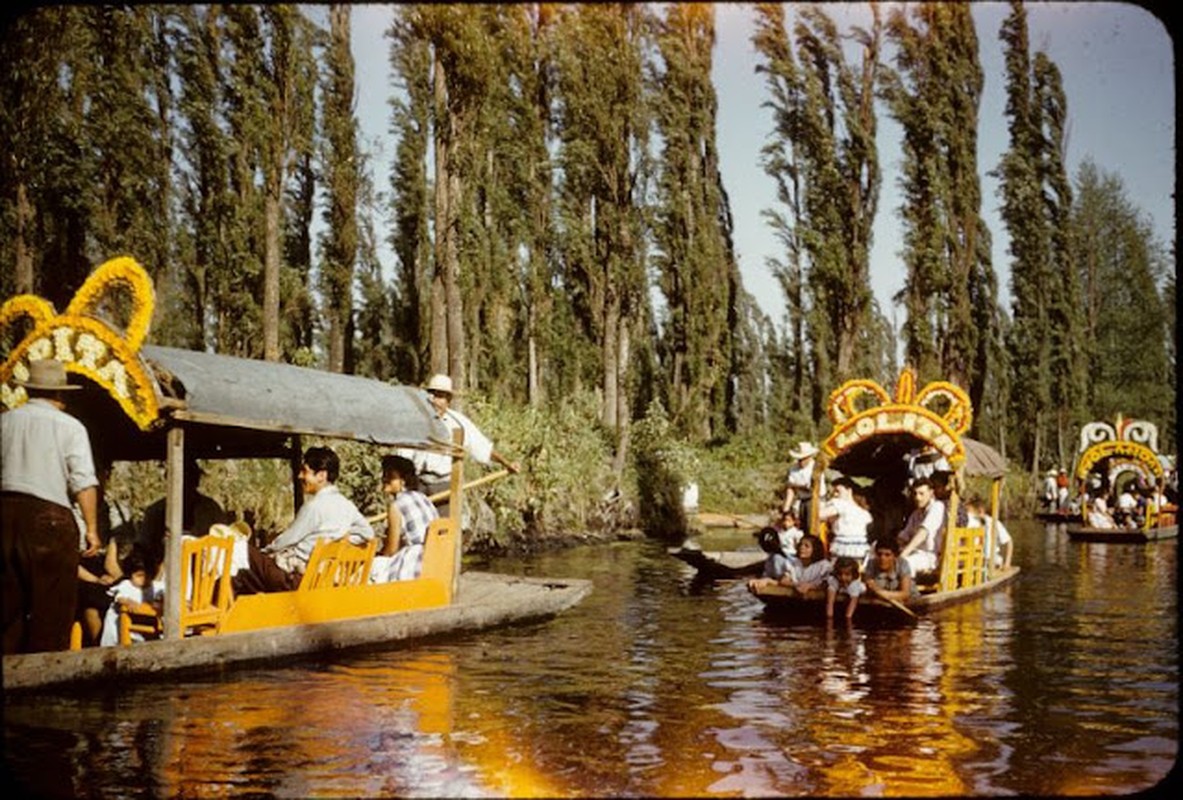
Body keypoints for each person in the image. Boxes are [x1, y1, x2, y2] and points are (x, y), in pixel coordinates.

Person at [1, 359, 101, 654]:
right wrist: (92, 530)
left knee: (6, 608)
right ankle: (46, 685)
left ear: (30, 391)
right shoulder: (70, 427)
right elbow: (84, 482)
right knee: (52, 611)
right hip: (48, 519)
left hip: (4, 515)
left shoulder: (5, 422)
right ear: (61, 395)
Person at [233, 446, 374, 594]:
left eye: (305, 471)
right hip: (321, 579)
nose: (300, 476)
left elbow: (286, 541)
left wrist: (263, 552)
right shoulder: (347, 505)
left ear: (321, 476)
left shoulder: (314, 507)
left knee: (240, 550)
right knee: (249, 570)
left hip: (297, 580)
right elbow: (368, 533)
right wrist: (341, 540)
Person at [400, 374, 521, 514]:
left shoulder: (459, 423)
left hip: (444, 487)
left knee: (443, 531)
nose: (434, 401)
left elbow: (483, 448)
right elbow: (403, 455)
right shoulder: (416, 422)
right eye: (431, 395)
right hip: (418, 485)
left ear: (448, 400)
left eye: (440, 396)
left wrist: (507, 464)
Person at [138, 457, 231, 572]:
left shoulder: (211, 509)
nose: (184, 484)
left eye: (188, 479)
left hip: (204, 574)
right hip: (165, 573)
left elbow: (223, 543)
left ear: (196, 481)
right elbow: (143, 547)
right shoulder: (156, 511)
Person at [370, 455, 439, 583]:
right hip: (434, 557)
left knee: (370, 568)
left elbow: (392, 550)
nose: (384, 478)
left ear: (403, 480)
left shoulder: (396, 506)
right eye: (384, 474)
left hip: (416, 561)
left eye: (390, 476)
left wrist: (377, 556)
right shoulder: (423, 498)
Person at [98, 552, 163, 647]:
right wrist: (128, 602)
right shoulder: (127, 585)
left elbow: (164, 593)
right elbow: (120, 598)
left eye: (147, 575)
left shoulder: (154, 586)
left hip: (143, 624)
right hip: (121, 625)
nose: (144, 579)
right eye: (139, 576)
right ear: (130, 574)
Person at [747, 532, 830, 594]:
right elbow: (784, 580)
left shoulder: (824, 565)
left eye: (806, 546)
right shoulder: (795, 563)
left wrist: (810, 586)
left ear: (815, 550)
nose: (802, 548)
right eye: (800, 545)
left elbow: (827, 584)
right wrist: (796, 585)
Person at [896, 477, 947, 578]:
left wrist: (903, 554)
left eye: (921, 494)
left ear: (931, 493)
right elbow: (904, 536)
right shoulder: (916, 514)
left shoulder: (937, 507)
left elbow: (923, 533)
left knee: (905, 563)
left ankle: (906, 591)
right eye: (915, 493)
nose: (917, 498)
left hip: (930, 556)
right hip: (915, 552)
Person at [817, 476, 872, 564]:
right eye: (834, 492)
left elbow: (819, 515)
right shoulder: (862, 512)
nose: (835, 494)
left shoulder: (842, 504)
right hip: (853, 547)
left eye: (838, 491)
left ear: (849, 490)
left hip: (850, 547)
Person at [862, 539, 917, 604]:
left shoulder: (903, 564)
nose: (882, 558)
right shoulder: (871, 564)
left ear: (895, 556)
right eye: (879, 554)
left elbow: (905, 594)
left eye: (887, 555)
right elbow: (870, 589)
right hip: (882, 603)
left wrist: (880, 592)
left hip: (909, 603)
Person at [964, 496, 1013, 570]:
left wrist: (1007, 563)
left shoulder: (993, 522)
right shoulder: (968, 521)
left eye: (968, 511)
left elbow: (1009, 541)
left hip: (990, 561)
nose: (967, 514)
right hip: (972, 559)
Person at [783, 441, 822, 529]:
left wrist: (797, 486)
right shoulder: (793, 469)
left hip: (815, 500)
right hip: (802, 500)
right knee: (801, 526)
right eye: (800, 459)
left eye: (804, 458)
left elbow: (814, 488)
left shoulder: (816, 467)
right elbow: (790, 489)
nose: (801, 461)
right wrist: (786, 508)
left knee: (812, 526)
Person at [825, 555, 866, 621]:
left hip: (860, 593)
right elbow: (830, 603)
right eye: (840, 574)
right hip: (843, 591)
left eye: (847, 574)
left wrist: (847, 620)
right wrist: (829, 620)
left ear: (854, 575)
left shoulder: (854, 584)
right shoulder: (834, 580)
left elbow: (852, 606)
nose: (843, 578)